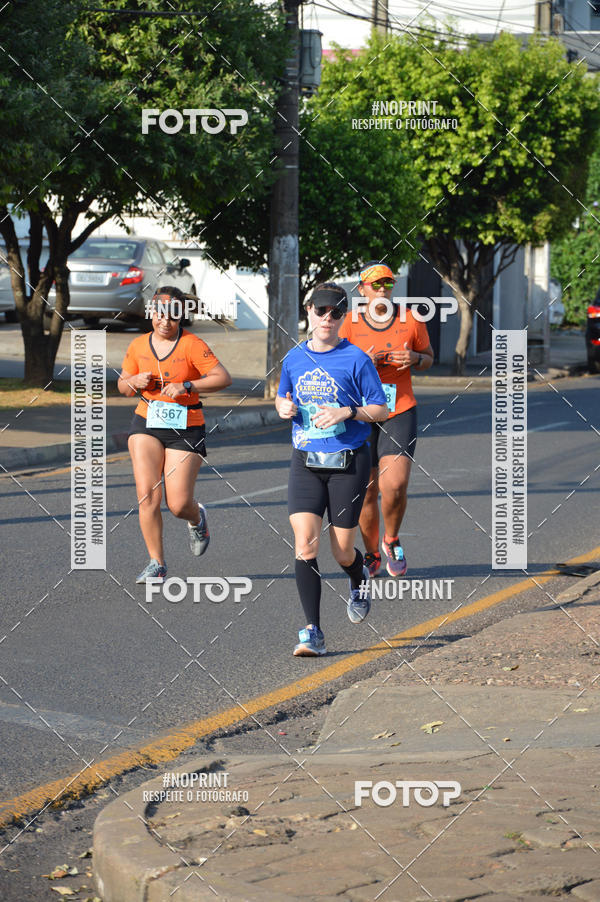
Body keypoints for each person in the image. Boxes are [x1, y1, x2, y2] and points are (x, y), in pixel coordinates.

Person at [276, 282, 389, 656]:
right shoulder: (293, 358)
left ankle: (358, 579)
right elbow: (283, 394)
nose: (327, 318)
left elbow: (381, 409)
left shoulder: (357, 359)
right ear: (308, 310)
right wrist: (282, 407)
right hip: (305, 461)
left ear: (344, 317)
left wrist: (348, 411)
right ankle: (313, 631)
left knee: (342, 551)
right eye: (321, 310)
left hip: (348, 462)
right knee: (305, 544)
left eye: (336, 312)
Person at [118, 286, 232, 583]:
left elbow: (223, 377)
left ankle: (196, 518)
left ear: (181, 316)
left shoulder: (192, 344)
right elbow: (122, 387)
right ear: (151, 314)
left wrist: (189, 386)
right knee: (147, 496)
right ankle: (157, 562)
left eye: (172, 317)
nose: (165, 322)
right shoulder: (138, 345)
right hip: (146, 422)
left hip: (186, 425)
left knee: (178, 504)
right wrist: (133, 380)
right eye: (159, 315)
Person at [339, 262, 434, 577]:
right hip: (360, 413)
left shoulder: (411, 319)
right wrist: (363, 362)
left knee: (395, 484)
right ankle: (370, 552)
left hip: (398, 409)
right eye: (375, 284)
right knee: (366, 489)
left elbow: (429, 358)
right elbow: (334, 367)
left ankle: (391, 539)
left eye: (387, 284)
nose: (382, 290)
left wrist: (415, 358)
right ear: (362, 289)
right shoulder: (349, 324)